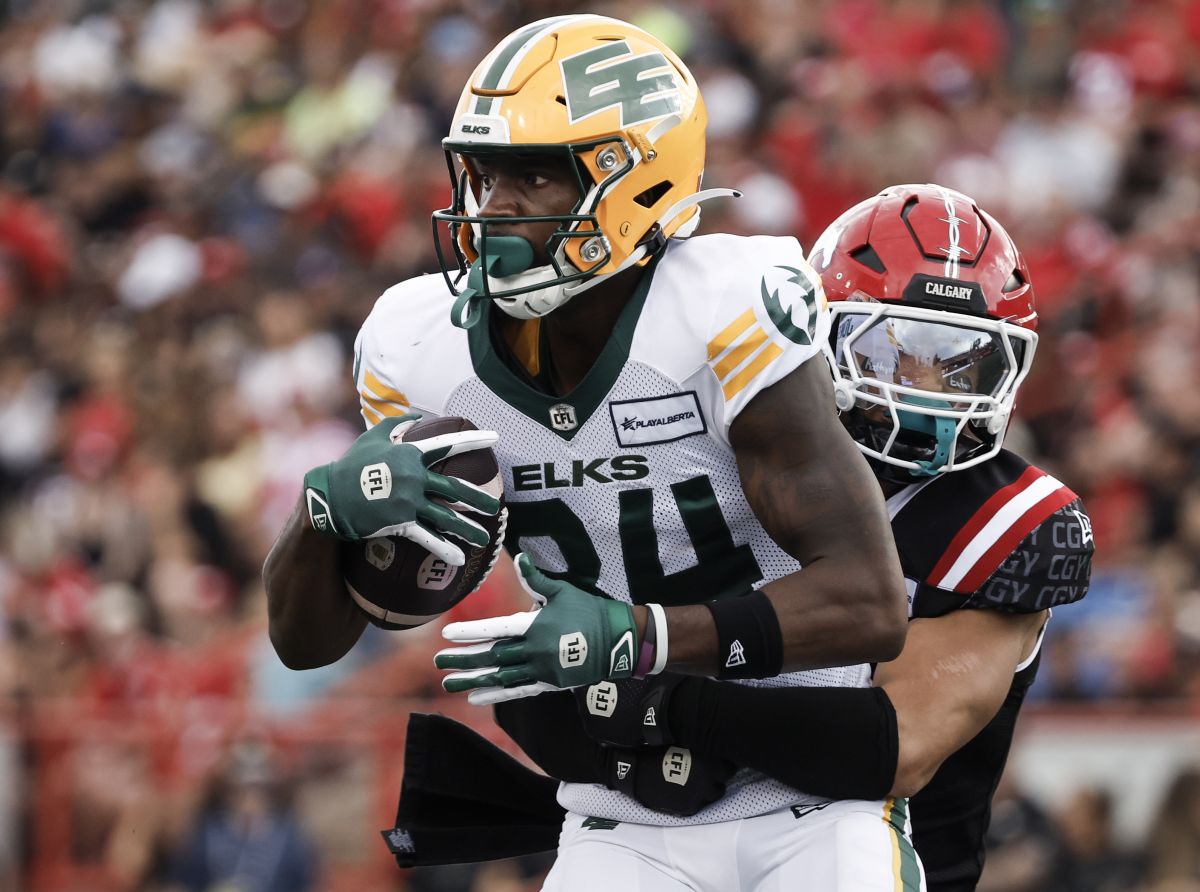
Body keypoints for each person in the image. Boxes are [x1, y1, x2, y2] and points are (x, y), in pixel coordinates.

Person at [264, 13, 914, 891]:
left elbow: (868, 601)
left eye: (535, 176)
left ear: (639, 182)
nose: (493, 208)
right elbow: (307, 643)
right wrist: (321, 514)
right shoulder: (418, 345)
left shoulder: (720, 308)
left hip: (809, 799)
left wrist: (638, 638)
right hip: (620, 812)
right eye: (483, 175)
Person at [510, 184, 1093, 892]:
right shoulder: (722, 452)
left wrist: (667, 706)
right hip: (652, 838)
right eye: (894, 351)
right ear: (821, 335)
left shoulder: (1012, 522)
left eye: (962, 361)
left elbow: (898, 745)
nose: (926, 386)